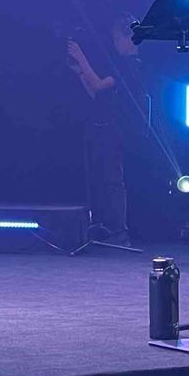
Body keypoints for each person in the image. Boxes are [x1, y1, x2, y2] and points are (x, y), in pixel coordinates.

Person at [66, 17, 142, 248]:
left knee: (113, 182)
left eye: (117, 39)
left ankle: (120, 231)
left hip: (118, 128)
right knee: (102, 180)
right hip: (104, 126)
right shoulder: (122, 64)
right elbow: (97, 95)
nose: (115, 43)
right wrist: (80, 72)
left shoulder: (129, 64)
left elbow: (99, 85)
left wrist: (81, 57)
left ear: (129, 38)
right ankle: (107, 227)